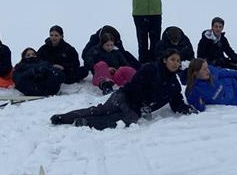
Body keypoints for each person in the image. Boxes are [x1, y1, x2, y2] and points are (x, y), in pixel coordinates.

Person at [50, 49, 195, 129]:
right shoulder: (151, 68)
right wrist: (143, 103)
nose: (176, 63)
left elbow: (177, 102)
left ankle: (84, 122)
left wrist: (186, 109)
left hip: (134, 111)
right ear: (165, 60)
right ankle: (63, 117)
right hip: (124, 97)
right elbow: (136, 84)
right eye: (172, 60)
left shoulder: (174, 84)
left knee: (116, 120)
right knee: (100, 110)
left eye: (178, 61)